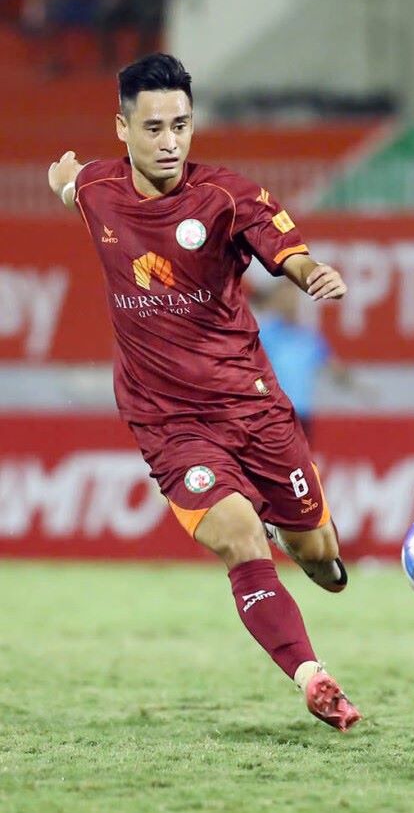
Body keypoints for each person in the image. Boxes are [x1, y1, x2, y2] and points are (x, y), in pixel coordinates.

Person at [46, 53, 361, 732]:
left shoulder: (226, 197)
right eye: (154, 127)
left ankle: (305, 540)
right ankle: (313, 677)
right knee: (241, 538)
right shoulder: (99, 189)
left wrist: (313, 275)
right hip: (166, 420)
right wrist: (64, 181)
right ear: (123, 129)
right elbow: (77, 186)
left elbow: (289, 254)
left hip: (251, 406)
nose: (169, 142)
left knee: (319, 554)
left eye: (181, 126)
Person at [255, 280, 362, 441]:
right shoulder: (264, 334)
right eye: (284, 298)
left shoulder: (310, 337)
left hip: (302, 415)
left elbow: (335, 370)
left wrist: (353, 383)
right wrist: (263, 395)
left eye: (292, 297)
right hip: (272, 414)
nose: (289, 302)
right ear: (276, 301)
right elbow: (251, 371)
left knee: (302, 464)